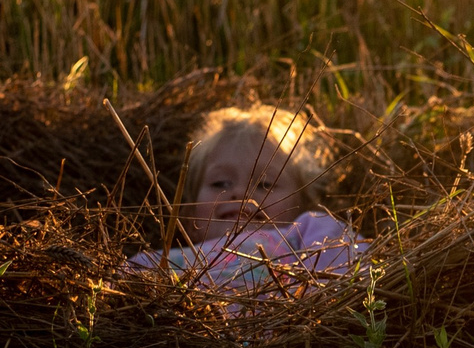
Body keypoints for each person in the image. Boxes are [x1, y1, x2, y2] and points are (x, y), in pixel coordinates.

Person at [128, 105, 366, 293]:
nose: (241, 193)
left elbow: (352, 273)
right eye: (220, 183)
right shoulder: (157, 263)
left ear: (304, 203)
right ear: (188, 219)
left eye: (265, 184)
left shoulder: (308, 232)